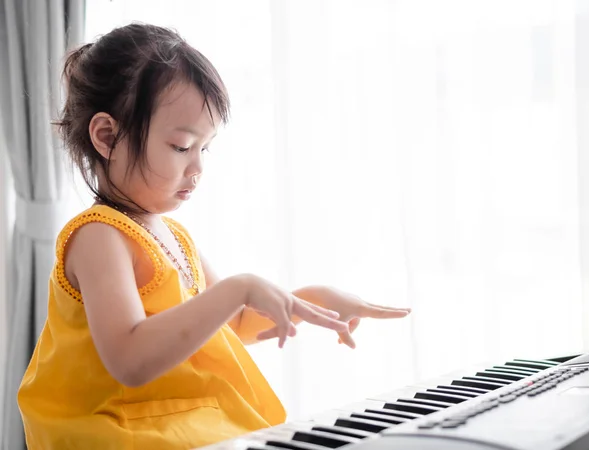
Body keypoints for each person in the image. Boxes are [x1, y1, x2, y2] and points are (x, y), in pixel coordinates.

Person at [16, 23, 411, 450]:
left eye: (205, 148)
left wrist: (314, 299)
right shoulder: (98, 238)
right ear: (108, 137)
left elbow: (234, 323)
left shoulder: (175, 237)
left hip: (179, 425)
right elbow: (129, 360)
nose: (198, 168)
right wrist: (239, 287)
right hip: (121, 432)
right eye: (182, 146)